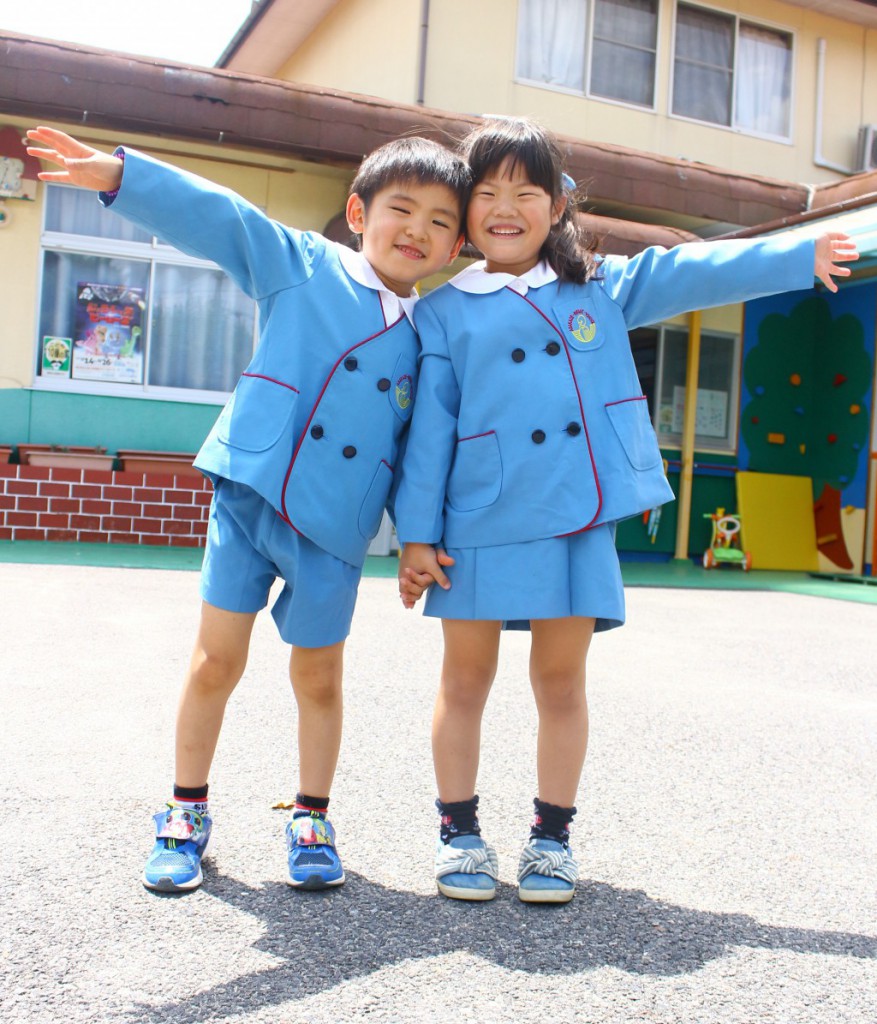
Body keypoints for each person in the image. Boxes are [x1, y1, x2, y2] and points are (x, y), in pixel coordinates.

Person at [393, 117, 859, 904]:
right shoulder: (441, 311)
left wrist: (794, 254)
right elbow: (428, 433)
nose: (507, 208)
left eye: (527, 191)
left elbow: (693, 271)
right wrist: (415, 537)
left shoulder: (598, 286)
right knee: (464, 679)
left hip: (577, 516)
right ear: (466, 209)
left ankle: (550, 838)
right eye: (489, 192)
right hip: (474, 519)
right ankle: (458, 833)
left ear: (557, 205)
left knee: (562, 682)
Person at [26, 125, 468, 893]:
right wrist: (123, 176)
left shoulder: (435, 336)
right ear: (359, 214)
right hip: (250, 496)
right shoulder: (304, 265)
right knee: (214, 662)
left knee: (320, 678)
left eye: (440, 221)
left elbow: (427, 447)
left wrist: (417, 540)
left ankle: (311, 816)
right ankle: (185, 811)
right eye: (403, 209)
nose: (419, 231)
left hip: (335, 528)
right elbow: (222, 216)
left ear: (456, 245)